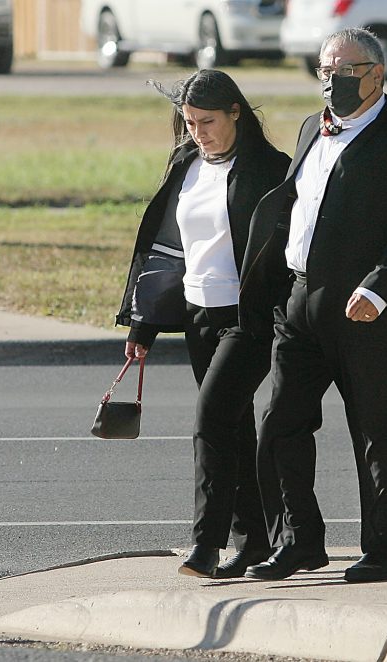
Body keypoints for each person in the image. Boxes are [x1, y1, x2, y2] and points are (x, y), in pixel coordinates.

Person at [237, 27, 387, 582]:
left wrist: (378, 288)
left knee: (376, 431)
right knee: (281, 424)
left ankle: (383, 549)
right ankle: (300, 541)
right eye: (325, 71)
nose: (333, 82)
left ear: (377, 74)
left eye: (346, 72)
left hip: (369, 310)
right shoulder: (312, 128)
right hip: (301, 303)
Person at [115, 70, 290, 577]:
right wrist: (143, 326)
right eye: (189, 122)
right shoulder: (186, 164)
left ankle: (206, 544)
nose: (198, 132)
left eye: (207, 121)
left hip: (248, 317)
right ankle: (255, 538)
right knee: (233, 429)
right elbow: (168, 249)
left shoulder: (271, 168)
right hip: (198, 315)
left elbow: (286, 249)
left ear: (236, 111)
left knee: (211, 417)